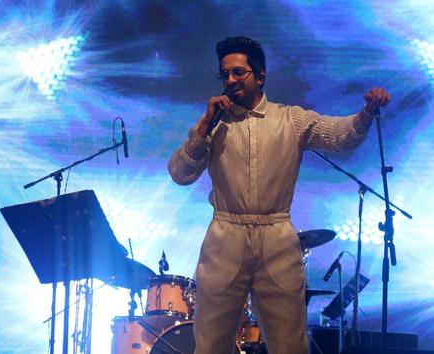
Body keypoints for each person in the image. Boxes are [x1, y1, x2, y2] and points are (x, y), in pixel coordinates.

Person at [167, 36, 390, 354]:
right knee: (210, 343)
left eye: (239, 72)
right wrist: (204, 126)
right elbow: (179, 174)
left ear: (260, 75)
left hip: (277, 234)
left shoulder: (290, 119)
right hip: (225, 234)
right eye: (225, 74)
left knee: (290, 343)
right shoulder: (214, 126)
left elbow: (341, 135)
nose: (231, 80)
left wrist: (367, 112)